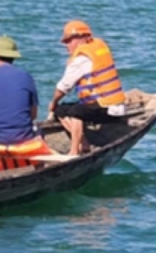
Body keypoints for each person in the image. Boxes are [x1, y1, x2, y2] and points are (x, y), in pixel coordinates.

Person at [47, 19, 127, 155]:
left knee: (76, 112)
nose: (67, 45)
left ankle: (73, 152)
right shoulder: (98, 48)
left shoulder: (82, 58)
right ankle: (84, 144)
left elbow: (64, 86)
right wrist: (56, 108)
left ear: (82, 38)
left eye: (69, 41)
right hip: (115, 105)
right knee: (61, 111)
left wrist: (53, 102)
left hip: (106, 108)